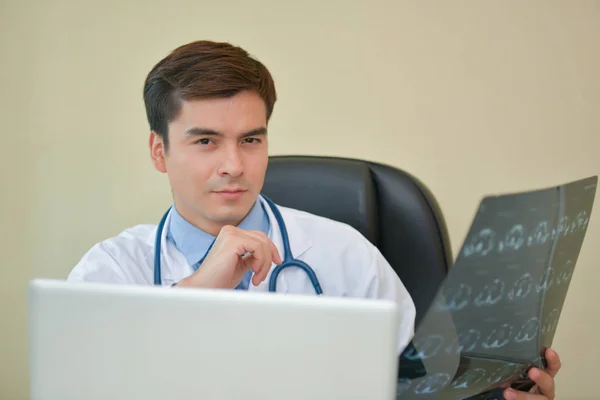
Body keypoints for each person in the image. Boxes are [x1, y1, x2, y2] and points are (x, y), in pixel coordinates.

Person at [67, 40, 561, 399]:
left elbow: (426, 389)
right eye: (205, 141)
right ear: (160, 151)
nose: (234, 165)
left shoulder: (343, 254)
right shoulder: (110, 274)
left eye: (251, 139)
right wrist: (200, 288)